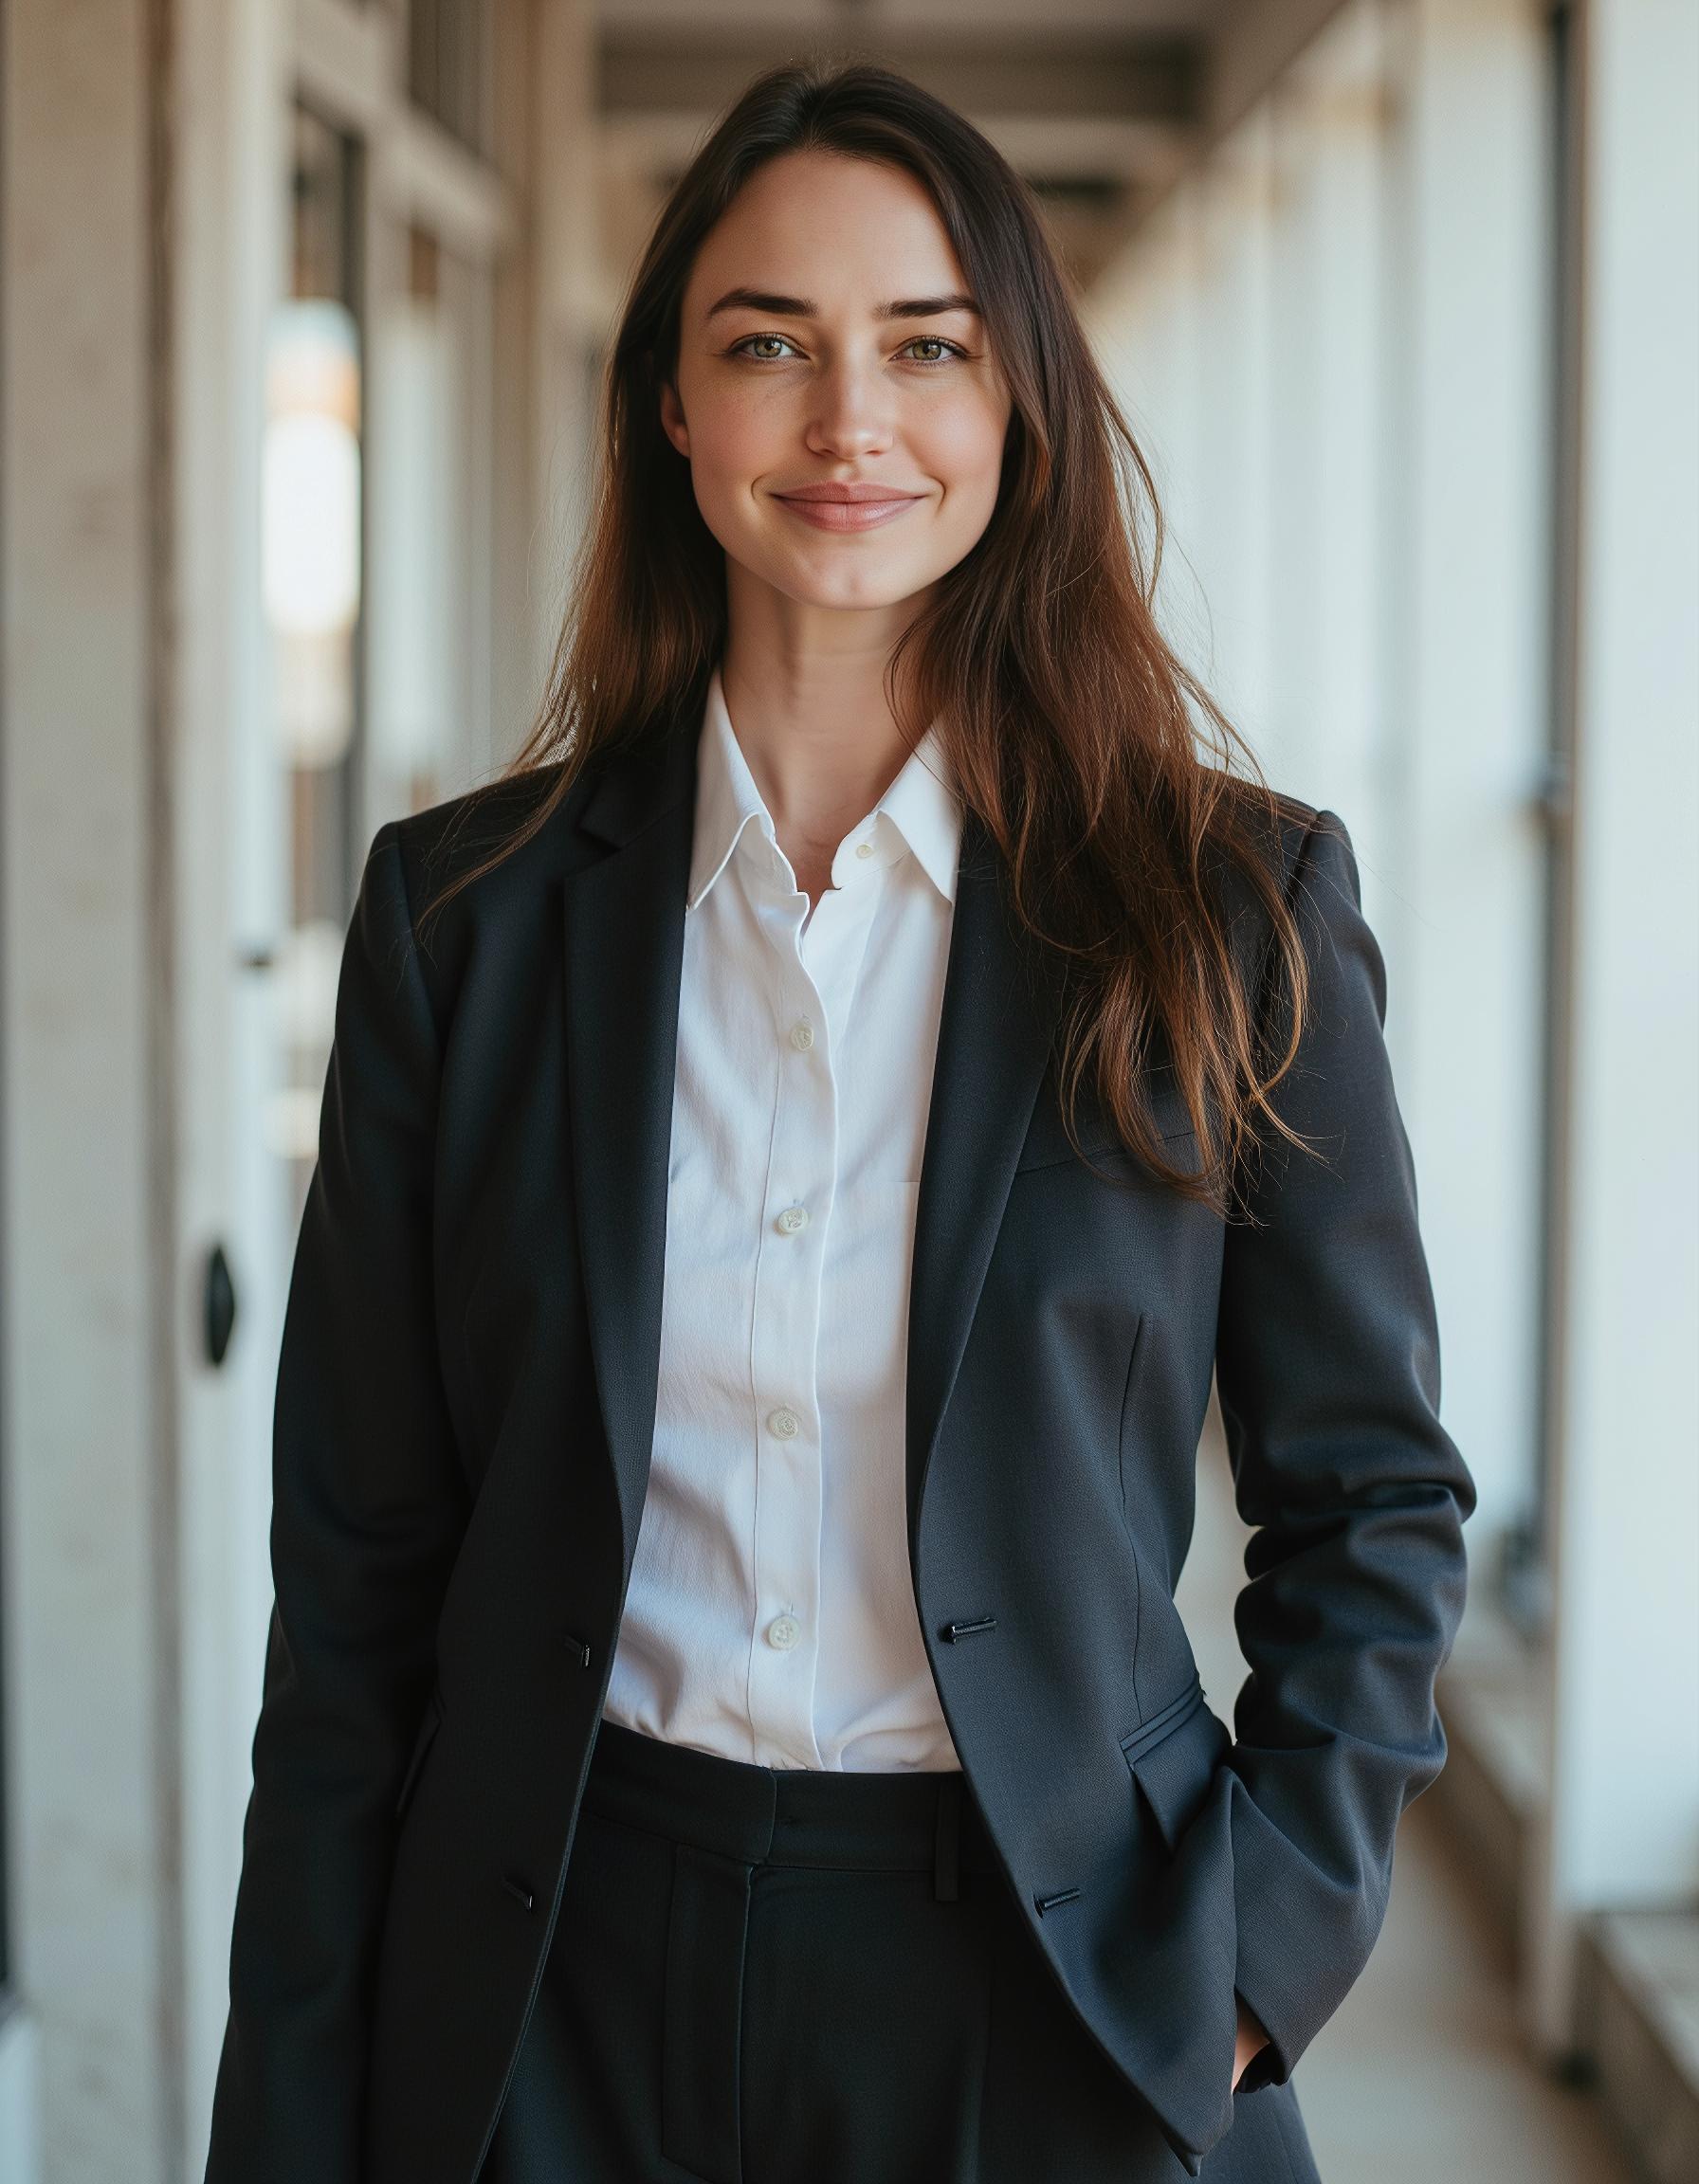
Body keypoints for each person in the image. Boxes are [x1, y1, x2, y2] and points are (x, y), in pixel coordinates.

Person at [204, 59, 1474, 2184]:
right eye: (766, 343)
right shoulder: (465, 923)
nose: (845, 419)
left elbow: (1370, 1509)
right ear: (668, 408)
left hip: (1055, 1978)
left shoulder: (1223, 909)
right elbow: (350, 1606)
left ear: (1017, 414)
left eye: (923, 348)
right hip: (556, 1970)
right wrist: (291, 2112)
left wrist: (1254, 1964)